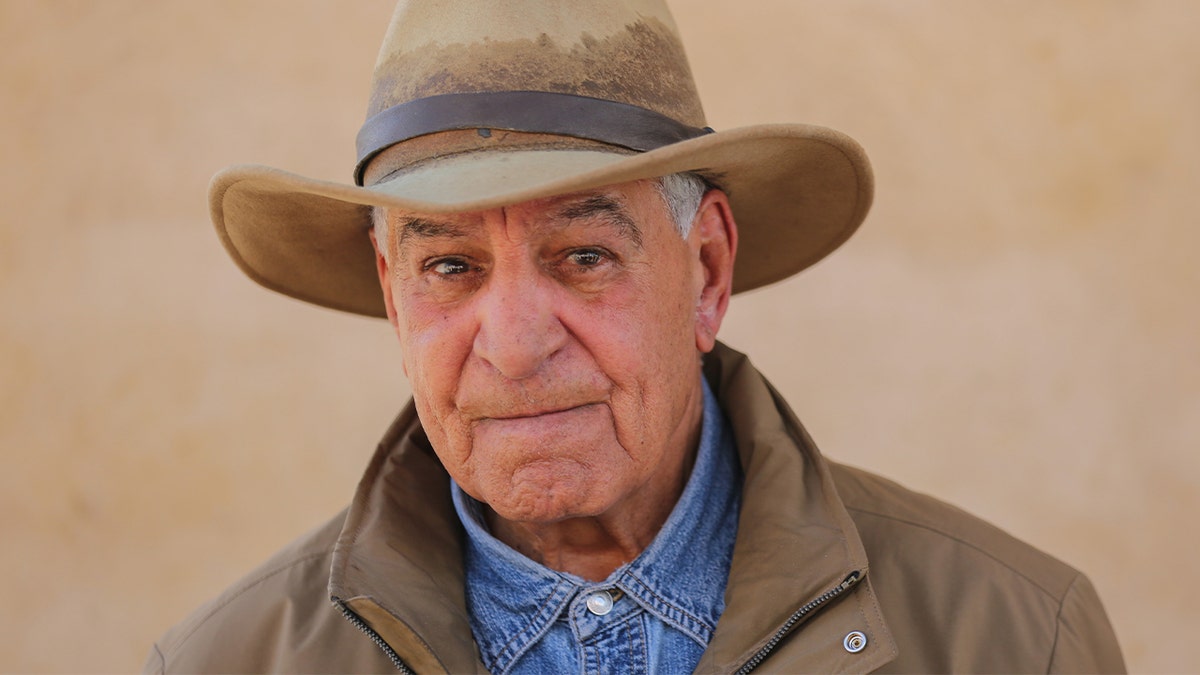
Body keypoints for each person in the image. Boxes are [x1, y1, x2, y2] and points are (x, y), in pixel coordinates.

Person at [145, 1, 1125, 673]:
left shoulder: (1015, 639)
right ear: (394, 300)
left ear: (708, 271)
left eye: (583, 255)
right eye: (449, 266)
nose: (515, 345)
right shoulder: (223, 663)